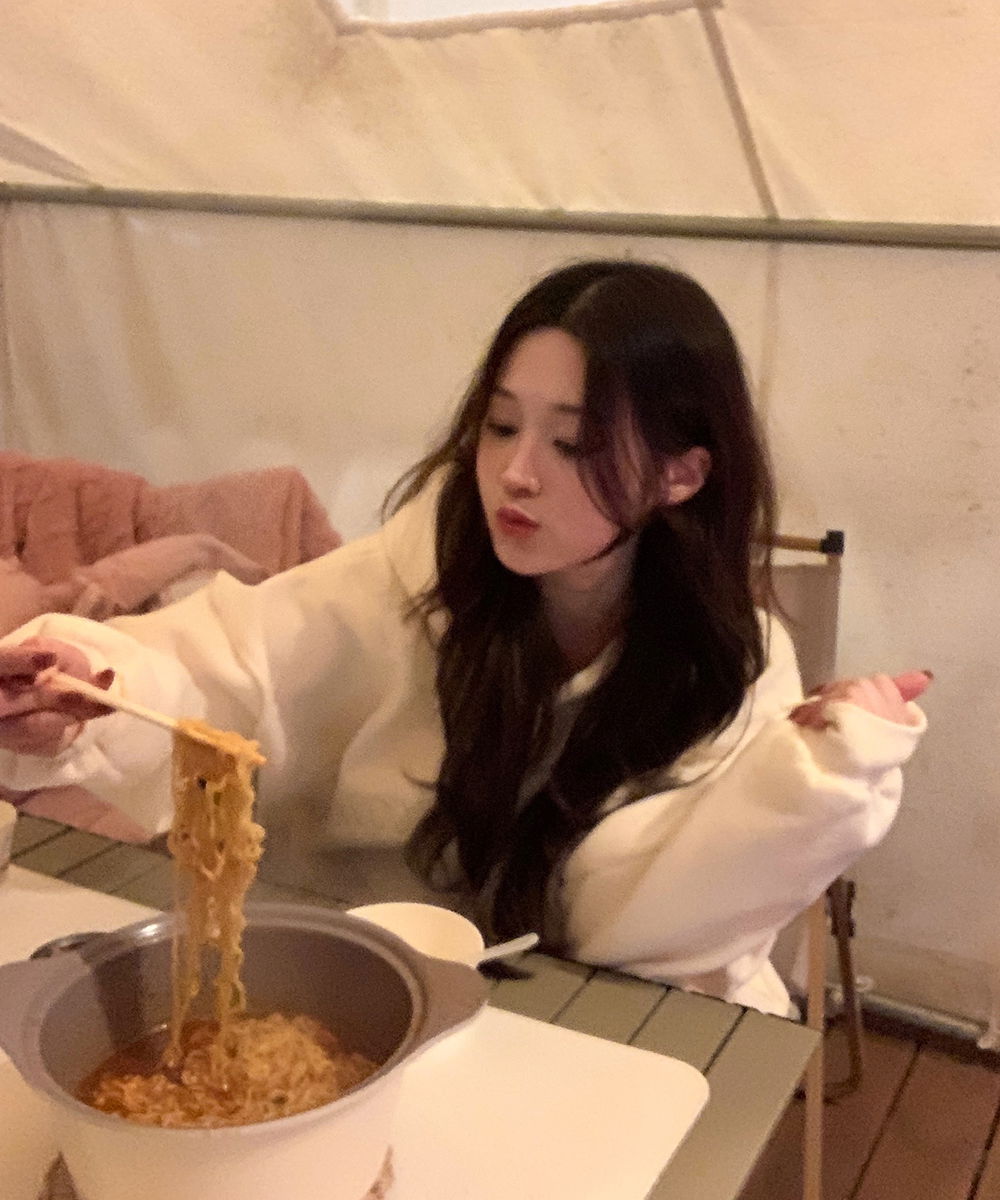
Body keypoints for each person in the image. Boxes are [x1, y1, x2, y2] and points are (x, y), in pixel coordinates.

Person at [0, 259, 928, 1016]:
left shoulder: (733, 671)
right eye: (500, 425)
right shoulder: (415, 575)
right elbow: (236, 662)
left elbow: (646, 920)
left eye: (572, 443)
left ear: (680, 475)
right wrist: (94, 685)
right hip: (337, 983)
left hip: (582, 1022)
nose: (515, 474)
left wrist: (811, 785)